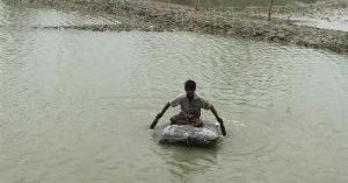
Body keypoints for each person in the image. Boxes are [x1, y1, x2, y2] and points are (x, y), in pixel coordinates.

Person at [149, 80, 226, 136]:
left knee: (199, 123)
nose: (189, 92)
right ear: (185, 89)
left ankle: (186, 127)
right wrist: (161, 113)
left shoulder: (199, 99)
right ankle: (184, 125)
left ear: (194, 90)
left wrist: (217, 117)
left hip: (194, 117)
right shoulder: (182, 97)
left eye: (191, 90)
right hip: (183, 116)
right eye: (188, 90)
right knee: (172, 119)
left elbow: (210, 106)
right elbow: (169, 103)